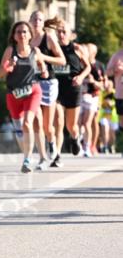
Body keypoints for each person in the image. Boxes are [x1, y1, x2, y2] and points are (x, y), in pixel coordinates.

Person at [0, 20, 51, 173]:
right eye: (18, 32)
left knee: (28, 123)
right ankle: (33, 155)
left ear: (29, 35)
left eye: (24, 32)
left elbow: (42, 65)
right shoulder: (10, 51)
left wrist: (44, 71)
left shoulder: (35, 51)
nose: (21, 34)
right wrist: (8, 68)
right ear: (14, 36)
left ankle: (28, 159)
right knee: (19, 129)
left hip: (33, 91)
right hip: (13, 94)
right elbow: (0, 74)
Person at [29, 10, 65, 162]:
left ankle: (52, 145)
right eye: (35, 19)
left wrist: (43, 57)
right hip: (32, 83)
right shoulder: (26, 39)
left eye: (40, 19)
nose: (37, 22)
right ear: (30, 21)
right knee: (36, 121)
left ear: (43, 23)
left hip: (48, 83)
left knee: (47, 125)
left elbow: (62, 60)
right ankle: (42, 156)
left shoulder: (48, 38)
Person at [54, 23, 91, 158]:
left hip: (73, 88)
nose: (61, 34)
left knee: (71, 125)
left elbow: (87, 67)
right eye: (58, 32)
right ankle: (56, 153)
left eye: (64, 32)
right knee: (57, 120)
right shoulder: (53, 49)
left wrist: (81, 77)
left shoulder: (76, 48)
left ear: (70, 34)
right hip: (56, 87)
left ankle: (75, 138)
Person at [79, 43, 106, 156]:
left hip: (93, 97)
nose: (86, 52)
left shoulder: (98, 66)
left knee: (88, 123)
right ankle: (79, 145)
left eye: (88, 50)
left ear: (93, 53)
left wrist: (93, 82)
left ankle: (90, 146)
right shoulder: (80, 64)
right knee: (78, 122)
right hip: (80, 96)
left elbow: (103, 85)